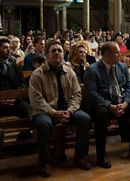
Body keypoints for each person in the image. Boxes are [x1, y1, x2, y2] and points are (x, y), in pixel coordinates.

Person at [28, 39, 92, 177]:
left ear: (64, 54)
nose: (57, 53)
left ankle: (80, 156)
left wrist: (70, 111)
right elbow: (36, 100)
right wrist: (54, 113)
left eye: (59, 51)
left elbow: (76, 94)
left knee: (85, 119)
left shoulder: (70, 72)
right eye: (53, 51)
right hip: (45, 111)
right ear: (47, 55)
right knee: (44, 124)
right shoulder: (38, 74)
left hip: (67, 109)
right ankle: (45, 162)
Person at [83, 42, 130, 170]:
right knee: (102, 114)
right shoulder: (92, 69)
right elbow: (92, 93)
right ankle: (102, 156)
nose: (120, 54)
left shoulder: (122, 67)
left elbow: (129, 87)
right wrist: (109, 105)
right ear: (106, 55)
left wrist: (126, 103)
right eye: (117, 52)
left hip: (121, 102)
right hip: (102, 104)